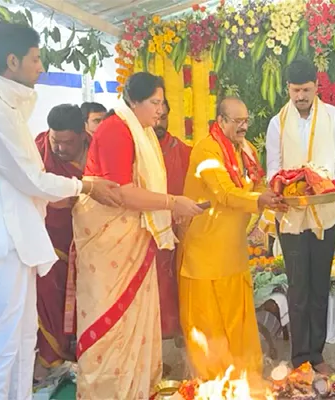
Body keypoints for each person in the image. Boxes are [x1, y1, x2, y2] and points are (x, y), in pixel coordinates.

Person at [0, 22, 120, 399]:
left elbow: (32, 181)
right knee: (4, 345)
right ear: (12, 61)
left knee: (23, 336)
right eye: (35, 59)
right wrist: (87, 185)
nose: (41, 67)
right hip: (2, 243)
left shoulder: (7, 109)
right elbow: (33, 179)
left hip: (17, 240)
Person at [72, 72, 203, 398]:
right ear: (135, 101)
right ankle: (113, 391)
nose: (160, 110)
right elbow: (123, 193)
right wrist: (173, 204)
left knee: (136, 321)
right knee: (114, 322)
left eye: (162, 103)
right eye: (155, 103)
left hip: (132, 238)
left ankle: (137, 387)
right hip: (110, 242)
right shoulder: (117, 130)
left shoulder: (138, 131)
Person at [179, 97, 285, 381]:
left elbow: (258, 182)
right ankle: (212, 386)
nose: (243, 126)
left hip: (234, 254)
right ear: (221, 121)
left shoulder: (246, 149)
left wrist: (275, 194)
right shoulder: (206, 151)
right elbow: (224, 193)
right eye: (237, 121)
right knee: (208, 328)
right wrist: (260, 199)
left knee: (239, 324)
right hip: (204, 254)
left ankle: (245, 381)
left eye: (246, 120)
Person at [265, 58, 335, 374]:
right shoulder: (277, 122)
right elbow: (273, 169)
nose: (300, 96)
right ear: (288, 89)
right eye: (295, 90)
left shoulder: (332, 116)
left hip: (325, 213)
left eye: (306, 90)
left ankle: (316, 355)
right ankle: (298, 356)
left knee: (320, 285)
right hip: (291, 217)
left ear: (317, 87)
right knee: (298, 287)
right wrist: (281, 188)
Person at [33, 104, 91, 381]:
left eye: (67, 143)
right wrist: (50, 200)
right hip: (50, 245)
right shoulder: (38, 148)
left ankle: (86, 357)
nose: (58, 148)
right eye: (55, 140)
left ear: (82, 135)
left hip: (89, 245)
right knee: (48, 302)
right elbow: (25, 186)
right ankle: (49, 361)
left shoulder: (97, 150)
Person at [154, 99, 191, 346]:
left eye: (164, 117)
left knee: (178, 282)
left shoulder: (182, 150)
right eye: (155, 116)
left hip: (179, 228)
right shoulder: (135, 149)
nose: (159, 123)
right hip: (149, 230)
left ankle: (182, 332)